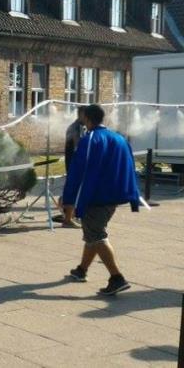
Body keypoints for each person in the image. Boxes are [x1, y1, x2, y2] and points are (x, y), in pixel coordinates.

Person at [62, 104, 139, 296]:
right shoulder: (119, 138)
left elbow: (77, 172)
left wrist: (69, 200)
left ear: (87, 119)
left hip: (95, 197)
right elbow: (130, 167)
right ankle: (81, 270)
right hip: (113, 197)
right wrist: (133, 196)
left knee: (97, 236)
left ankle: (117, 278)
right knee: (92, 235)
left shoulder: (91, 140)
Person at [61, 105, 86, 227]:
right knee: (73, 191)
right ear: (81, 114)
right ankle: (67, 219)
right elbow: (78, 147)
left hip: (77, 163)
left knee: (76, 190)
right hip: (74, 163)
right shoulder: (76, 128)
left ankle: (71, 216)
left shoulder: (81, 127)